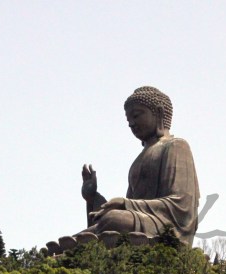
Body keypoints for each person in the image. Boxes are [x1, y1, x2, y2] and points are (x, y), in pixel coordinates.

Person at [79, 86, 200, 246]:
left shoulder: (176, 146)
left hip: (166, 226)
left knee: (113, 220)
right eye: (128, 120)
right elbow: (127, 210)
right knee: (92, 229)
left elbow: (181, 205)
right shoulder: (138, 160)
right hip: (140, 221)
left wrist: (125, 203)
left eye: (136, 116)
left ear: (159, 113)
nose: (131, 123)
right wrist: (92, 198)